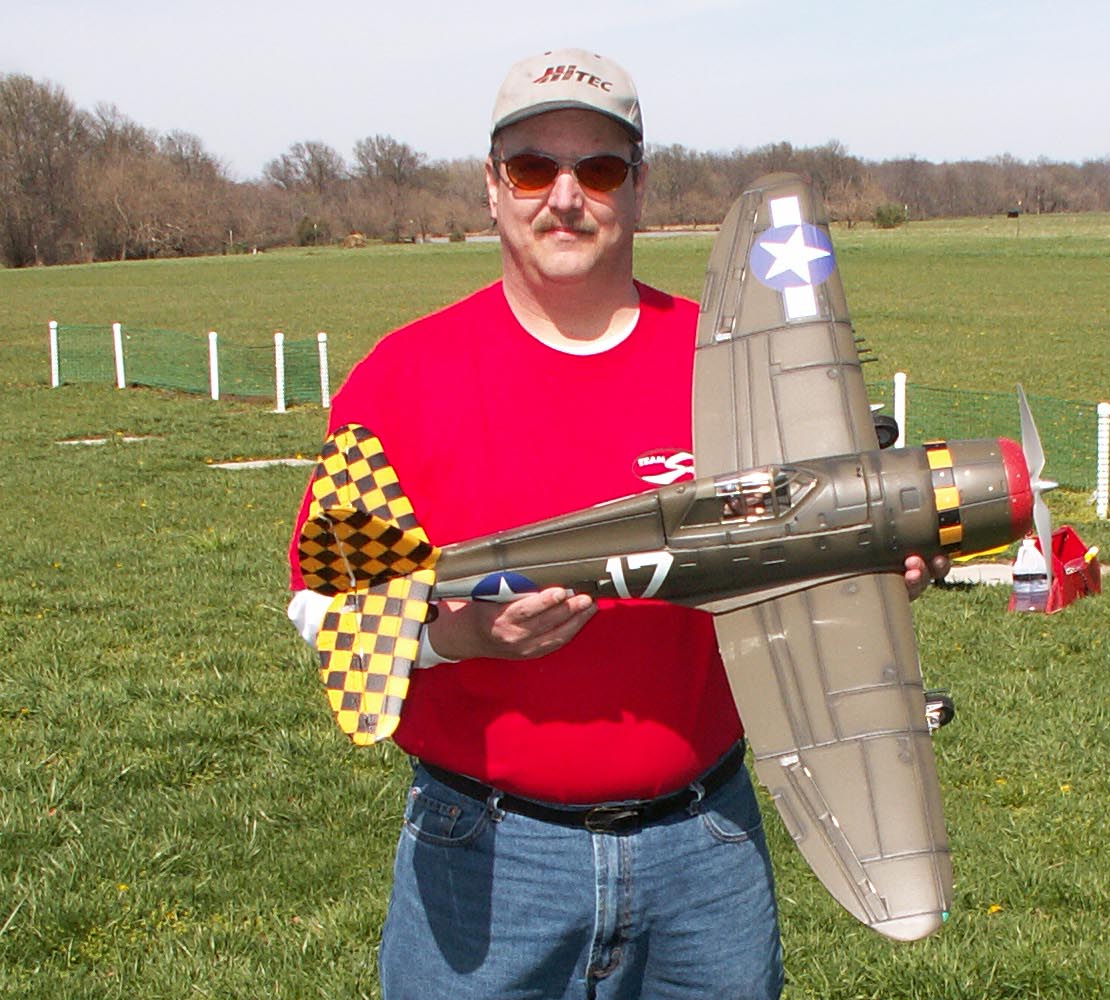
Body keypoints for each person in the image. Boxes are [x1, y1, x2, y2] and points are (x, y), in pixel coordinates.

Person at [288, 48, 947, 1000]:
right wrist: (460, 637)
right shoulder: (401, 377)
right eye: (532, 168)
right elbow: (320, 605)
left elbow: (807, 533)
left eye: (597, 169)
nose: (564, 197)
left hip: (703, 846)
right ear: (491, 185)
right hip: (486, 851)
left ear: (637, 187)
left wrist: (872, 565)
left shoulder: (723, 357)